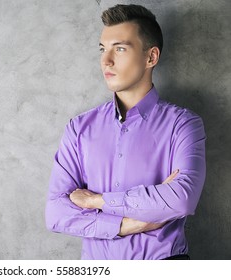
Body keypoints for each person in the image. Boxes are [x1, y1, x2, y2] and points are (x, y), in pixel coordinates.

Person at [45, 4, 206, 260]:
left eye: (119, 48)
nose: (105, 60)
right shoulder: (79, 129)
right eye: (103, 49)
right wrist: (131, 224)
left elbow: (181, 200)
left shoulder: (183, 124)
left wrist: (97, 200)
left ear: (151, 57)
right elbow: (56, 213)